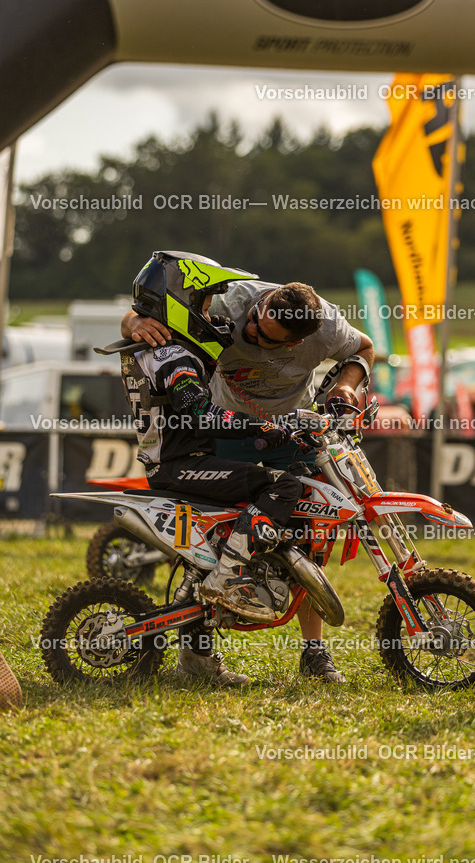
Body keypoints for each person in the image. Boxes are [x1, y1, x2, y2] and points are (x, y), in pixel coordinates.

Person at [122, 271, 375, 683]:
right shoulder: (226, 301)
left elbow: (364, 349)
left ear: (296, 343)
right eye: (255, 318)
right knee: (210, 541)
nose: (249, 330)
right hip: (224, 429)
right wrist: (134, 324)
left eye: (263, 335)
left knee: (310, 535)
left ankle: (314, 651)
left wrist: (347, 388)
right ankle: (196, 653)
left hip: (294, 428)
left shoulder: (324, 326)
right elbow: (145, 311)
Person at [122, 250, 304, 688]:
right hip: (179, 465)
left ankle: (199, 657)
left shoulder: (169, 349)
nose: (211, 315)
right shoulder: (173, 357)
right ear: (178, 304)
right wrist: (264, 427)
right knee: (281, 486)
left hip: (179, 461)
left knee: (204, 556)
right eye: (203, 306)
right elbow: (199, 413)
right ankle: (231, 577)